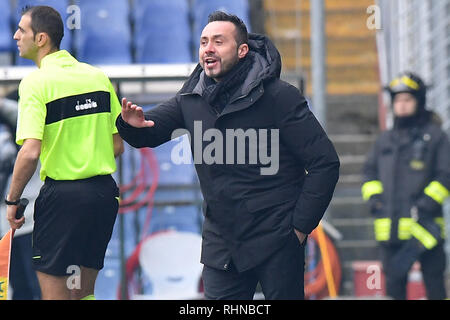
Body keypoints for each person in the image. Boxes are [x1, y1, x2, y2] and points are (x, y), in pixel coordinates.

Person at [116, 11, 340, 300]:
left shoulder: (279, 97)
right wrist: (130, 125)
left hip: (277, 237)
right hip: (222, 244)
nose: (208, 48)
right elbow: (148, 131)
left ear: (242, 50)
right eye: (203, 42)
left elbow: (325, 163)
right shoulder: (191, 98)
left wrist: (299, 227)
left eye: (218, 42)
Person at [5, 6, 124, 300]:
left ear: (42, 38)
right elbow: (118, 145)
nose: (15, 36)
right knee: (84, 294)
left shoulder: (34, 82)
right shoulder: (97, 77)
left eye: (22, 30)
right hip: (104, 195)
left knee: (56, 295)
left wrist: (12, 200)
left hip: (62, 199)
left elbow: (30, 152)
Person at [362, 71, 449, 300]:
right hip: (390, 230)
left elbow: (445, 175)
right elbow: (369, 172)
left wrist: (427, 203)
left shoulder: (436, 137)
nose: (401, 105)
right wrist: (375, 199)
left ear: (419, 101)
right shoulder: (385, 139)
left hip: (426, 229)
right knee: (394, 288)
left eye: (407, 99)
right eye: (397, 100)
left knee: (435, 286)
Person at [0, 91, 41, 300]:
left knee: (39, 288)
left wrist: (1, 101)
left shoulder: (34, 140)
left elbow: (17, 116)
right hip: (8, 229)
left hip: (33, 224)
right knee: (19, 289)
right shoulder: (6, 142)